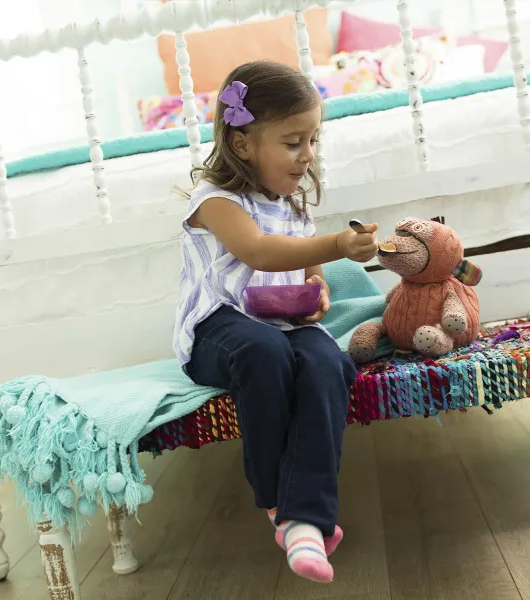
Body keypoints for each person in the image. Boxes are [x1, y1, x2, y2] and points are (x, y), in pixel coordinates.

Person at [173, 60, 378, 583]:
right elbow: (261, 252)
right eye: (292, 142)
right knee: (263, 352)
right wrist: (337, 244)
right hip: (219, 330)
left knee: (326, 361)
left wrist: (319, 295)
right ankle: (278, 501)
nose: (308, 154)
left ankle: (305, 520)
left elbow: (309, 273)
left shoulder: (291, 206)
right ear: (243, 143)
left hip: (282, 324)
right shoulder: (214, 202)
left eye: (313, 140)